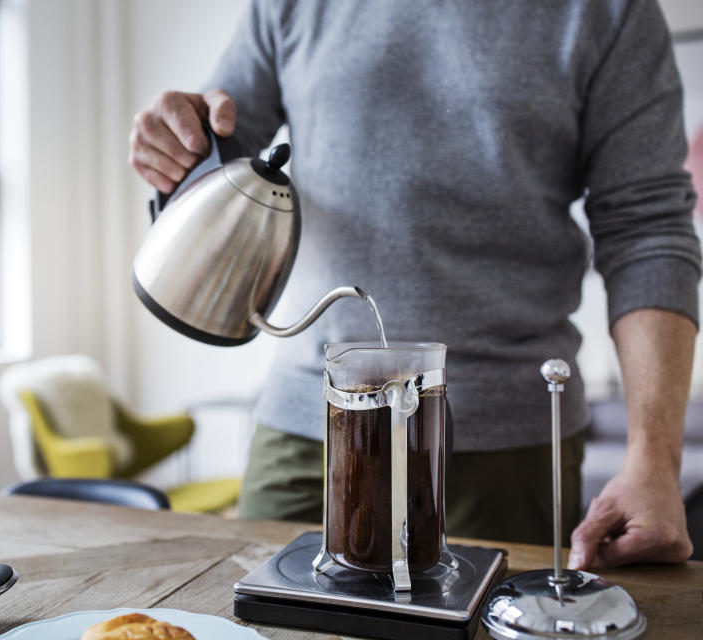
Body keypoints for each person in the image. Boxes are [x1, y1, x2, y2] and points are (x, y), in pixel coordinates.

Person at [129, 0, 699, 569]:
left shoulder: (611, 13)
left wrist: (653, 461)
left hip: (504, 446)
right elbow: (218, 148)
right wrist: (176, 145)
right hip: (307, 426)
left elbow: (648, 227)